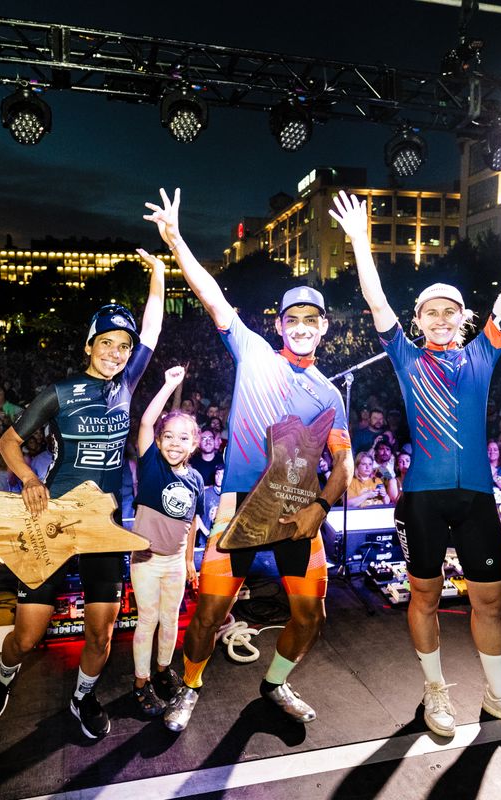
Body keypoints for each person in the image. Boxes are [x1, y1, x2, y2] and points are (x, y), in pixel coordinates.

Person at [333, 174, 501, 743]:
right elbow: (375, 299)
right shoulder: (406, 359)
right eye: (430, 311)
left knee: (490, 601)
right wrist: (361, 242)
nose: (440, 317)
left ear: (464, 317)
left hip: (478, 498)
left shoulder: (484, 354)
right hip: (424, 500)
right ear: (418, 321)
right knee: (425, 596)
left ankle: (499, 696)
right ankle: (435, 690)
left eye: (449, 310)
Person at [144, 188, 353, 732]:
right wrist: (177, 240)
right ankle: (189, 688)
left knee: (310, 615)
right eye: (293, 319)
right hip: (236, 512)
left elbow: (344, 466)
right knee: (210, 614)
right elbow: (211, 295)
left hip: (296, 517)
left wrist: (321, 509)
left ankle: (275, 682)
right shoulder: (253, 351)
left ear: (324, 326)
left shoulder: (331, 396)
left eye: (313, 319)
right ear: (279, 324)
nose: (302, 326)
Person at [0, 255, 164, 740]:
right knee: (28, 635)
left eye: (124, 346)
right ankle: (4, 674)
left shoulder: (126, 385)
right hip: (52, 520)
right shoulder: (59, 391)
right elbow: (8, 443)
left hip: (102, 527)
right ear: (90, 344)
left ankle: (83, 697)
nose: (117, 352)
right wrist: (30, 480)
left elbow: (153, 326)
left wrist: (161, 269)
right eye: (108, 343)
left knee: (101, 633)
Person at [129, 366, 204, 718]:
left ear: (195, 443)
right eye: (169, 437)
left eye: (183, 438)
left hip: (175, 562)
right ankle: (141, 683)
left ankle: (162, 670)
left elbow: (190, 526)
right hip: (145, 560)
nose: (175, 444)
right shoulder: (151, 467)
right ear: (159, 442)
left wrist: (189, 562)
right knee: (148, 619)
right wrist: (168, 385)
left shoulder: (196, 481)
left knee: (171, 619)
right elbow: (145, 423)